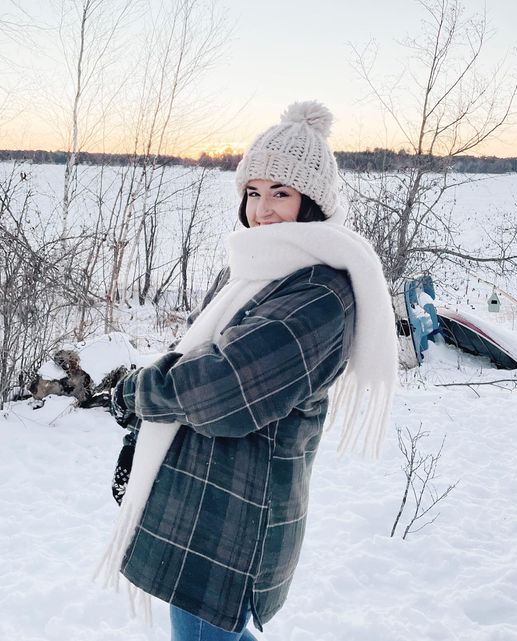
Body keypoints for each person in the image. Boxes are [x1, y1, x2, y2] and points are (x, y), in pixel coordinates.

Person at [100, 101, 398, 640]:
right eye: (253, 192)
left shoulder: (318, 293)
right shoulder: (263, 271)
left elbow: (222, 387)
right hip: (207, 497)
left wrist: (138, 392)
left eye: (280, 193)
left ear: (313, 203)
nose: (261, 209)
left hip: (236, 515)